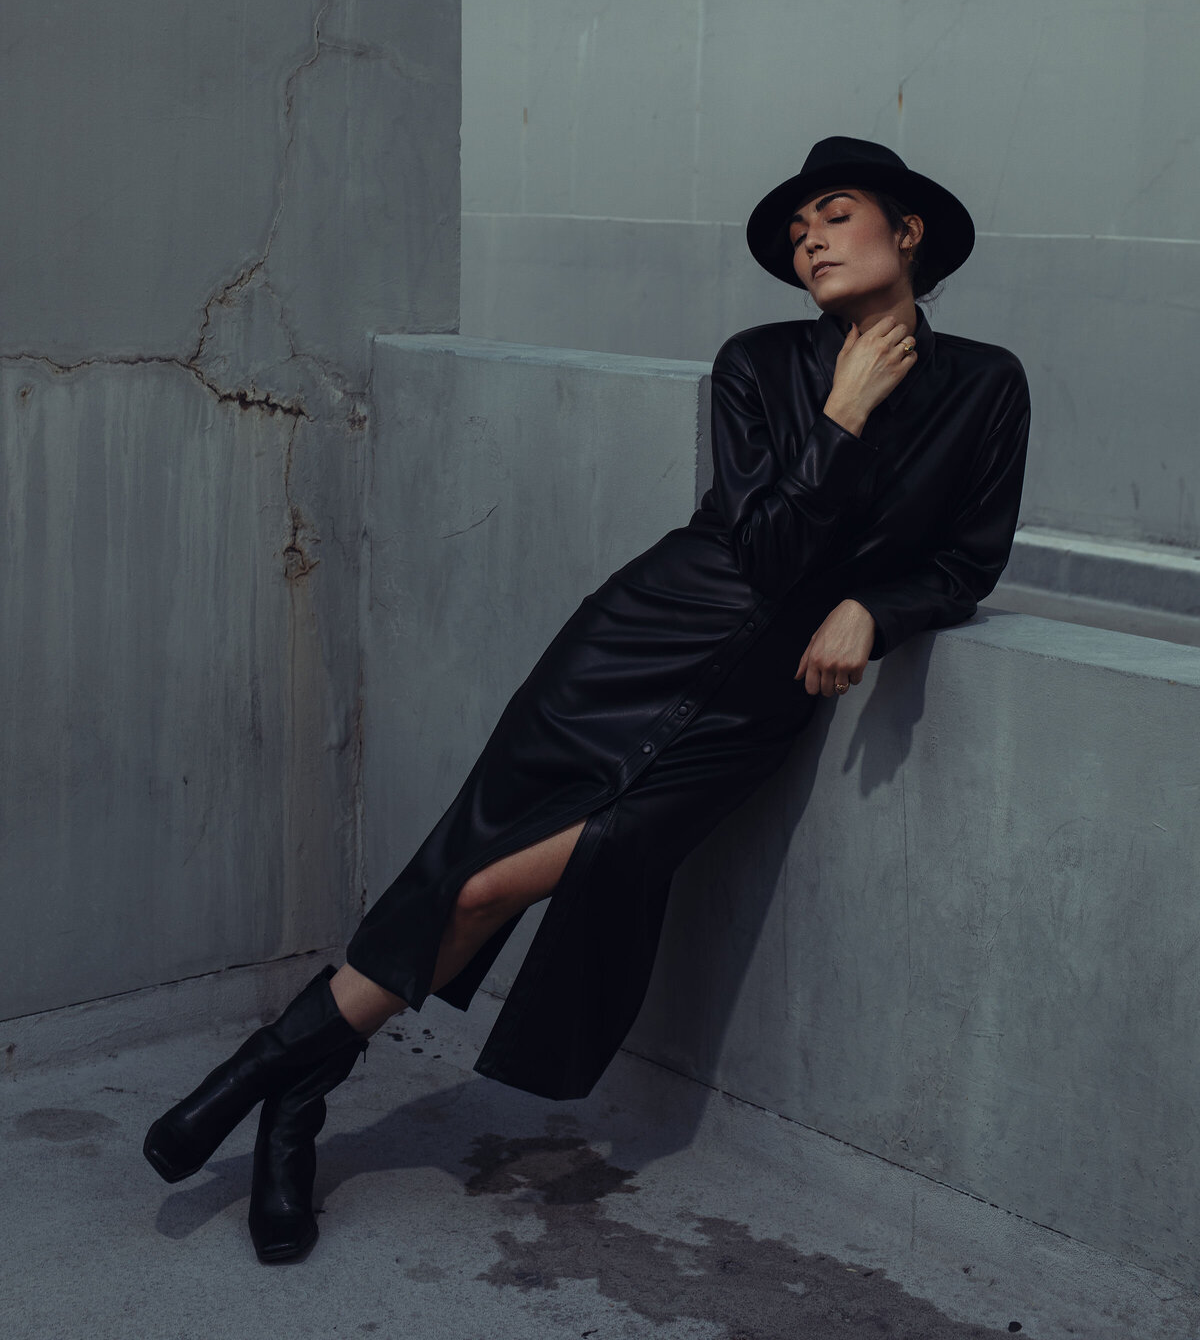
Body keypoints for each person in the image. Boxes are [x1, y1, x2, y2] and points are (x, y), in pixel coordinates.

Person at [143, 134, 1030, 1263]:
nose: (809, 237)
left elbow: (967, 561)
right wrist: (842, 413)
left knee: (519, 874)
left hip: (754, 704)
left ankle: (266, 1078)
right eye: (798, 228)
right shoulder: (760, 363)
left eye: (835, 214)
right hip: (641, 643)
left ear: (907, 233)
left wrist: (877, 611)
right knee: (455, 873)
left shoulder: (988, 385)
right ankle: (290, 1115)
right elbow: (762, 548)